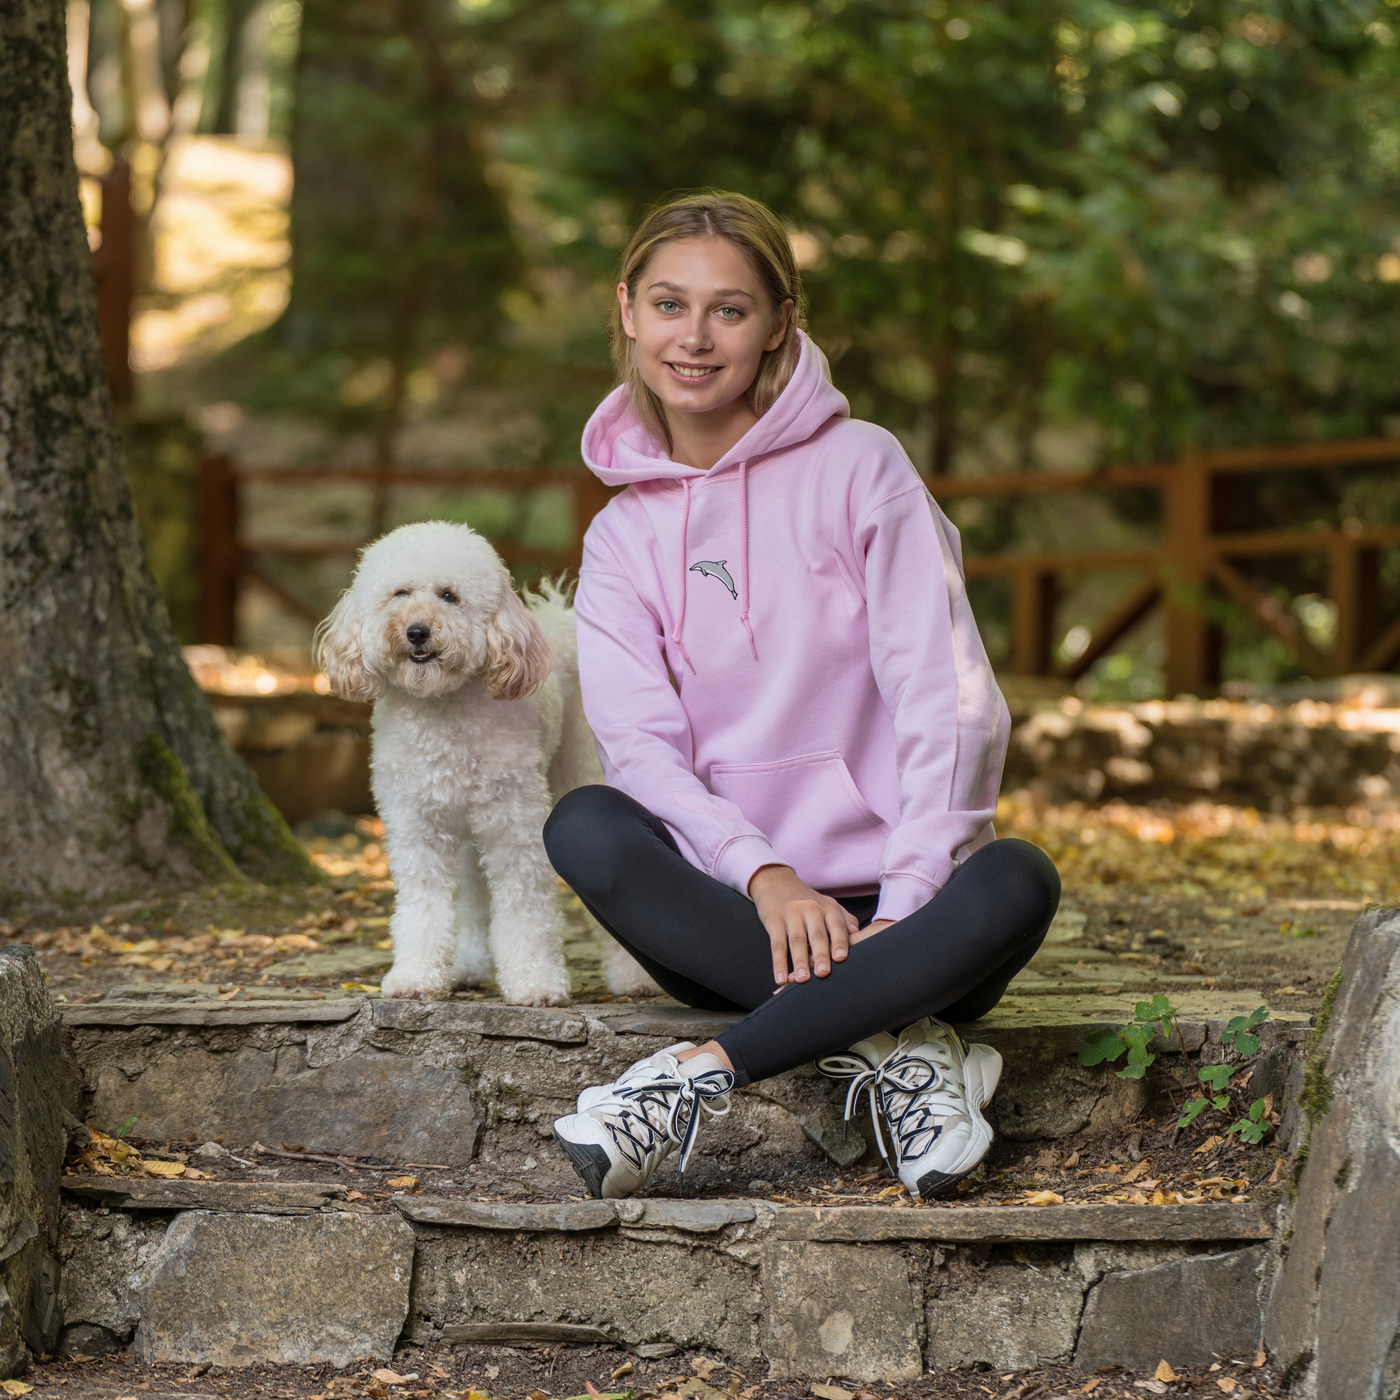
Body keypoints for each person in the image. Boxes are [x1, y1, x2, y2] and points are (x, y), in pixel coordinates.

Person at [545, 190, 1060, 1203]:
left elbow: (945, 696)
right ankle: (906, 1048)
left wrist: (906, 913)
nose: (693, 338)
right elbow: (643, 750)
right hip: (741, 920)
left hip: (912, 911)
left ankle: (693, 1079)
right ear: (626, 311)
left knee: (1016, 878)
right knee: (588, 823)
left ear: (780, 320)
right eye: (667, 304)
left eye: (728, 309)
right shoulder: (620, 538)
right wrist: (765, 874)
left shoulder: (861, 467)